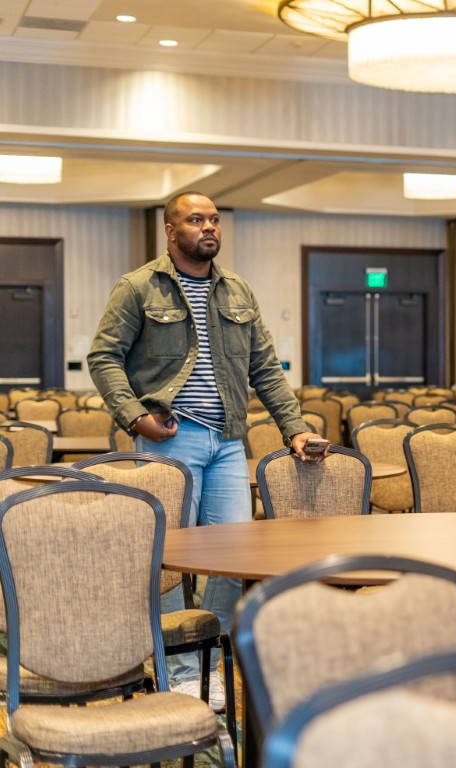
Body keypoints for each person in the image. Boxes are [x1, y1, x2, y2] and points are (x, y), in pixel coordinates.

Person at [88, 191, 326, 709]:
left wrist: (294, 429)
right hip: (171, 436)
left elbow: (265, 367)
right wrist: (135, 416)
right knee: (169, 558)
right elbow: (104, 357)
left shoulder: (237, 289)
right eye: (196, 219)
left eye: (214, 219)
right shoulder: (137, 287)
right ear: (171, 231)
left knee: (232, 556)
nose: (209, 227)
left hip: (228, 440)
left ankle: (207, 664)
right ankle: (176, 668)